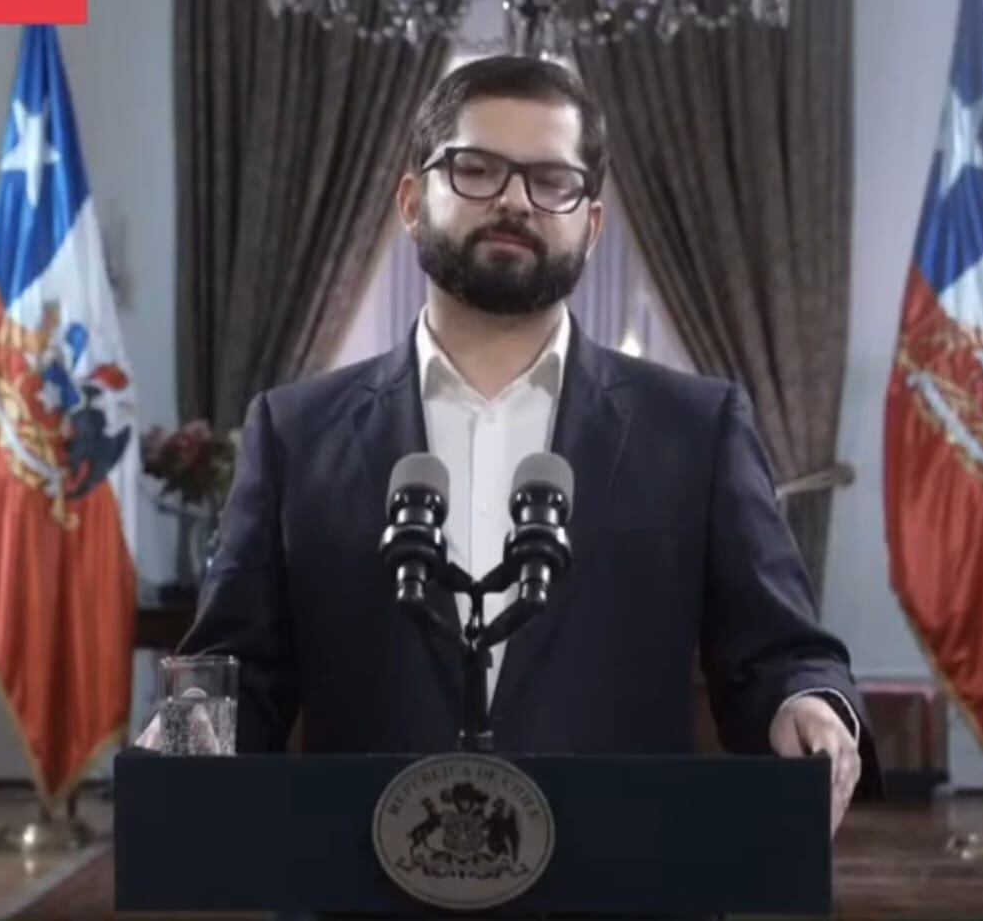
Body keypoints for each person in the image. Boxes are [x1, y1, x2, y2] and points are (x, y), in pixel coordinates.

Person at [167, 54, 880, 832]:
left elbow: (777, 652)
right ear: (412, 202)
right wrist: (185, 734)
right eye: (476, 169)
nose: (514, 200)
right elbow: (231, 678)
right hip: (361, 883)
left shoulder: (696, 430)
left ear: (593, 222)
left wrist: (807, 701)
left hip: (624, 877)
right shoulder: (294, 431)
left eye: (551, 180)